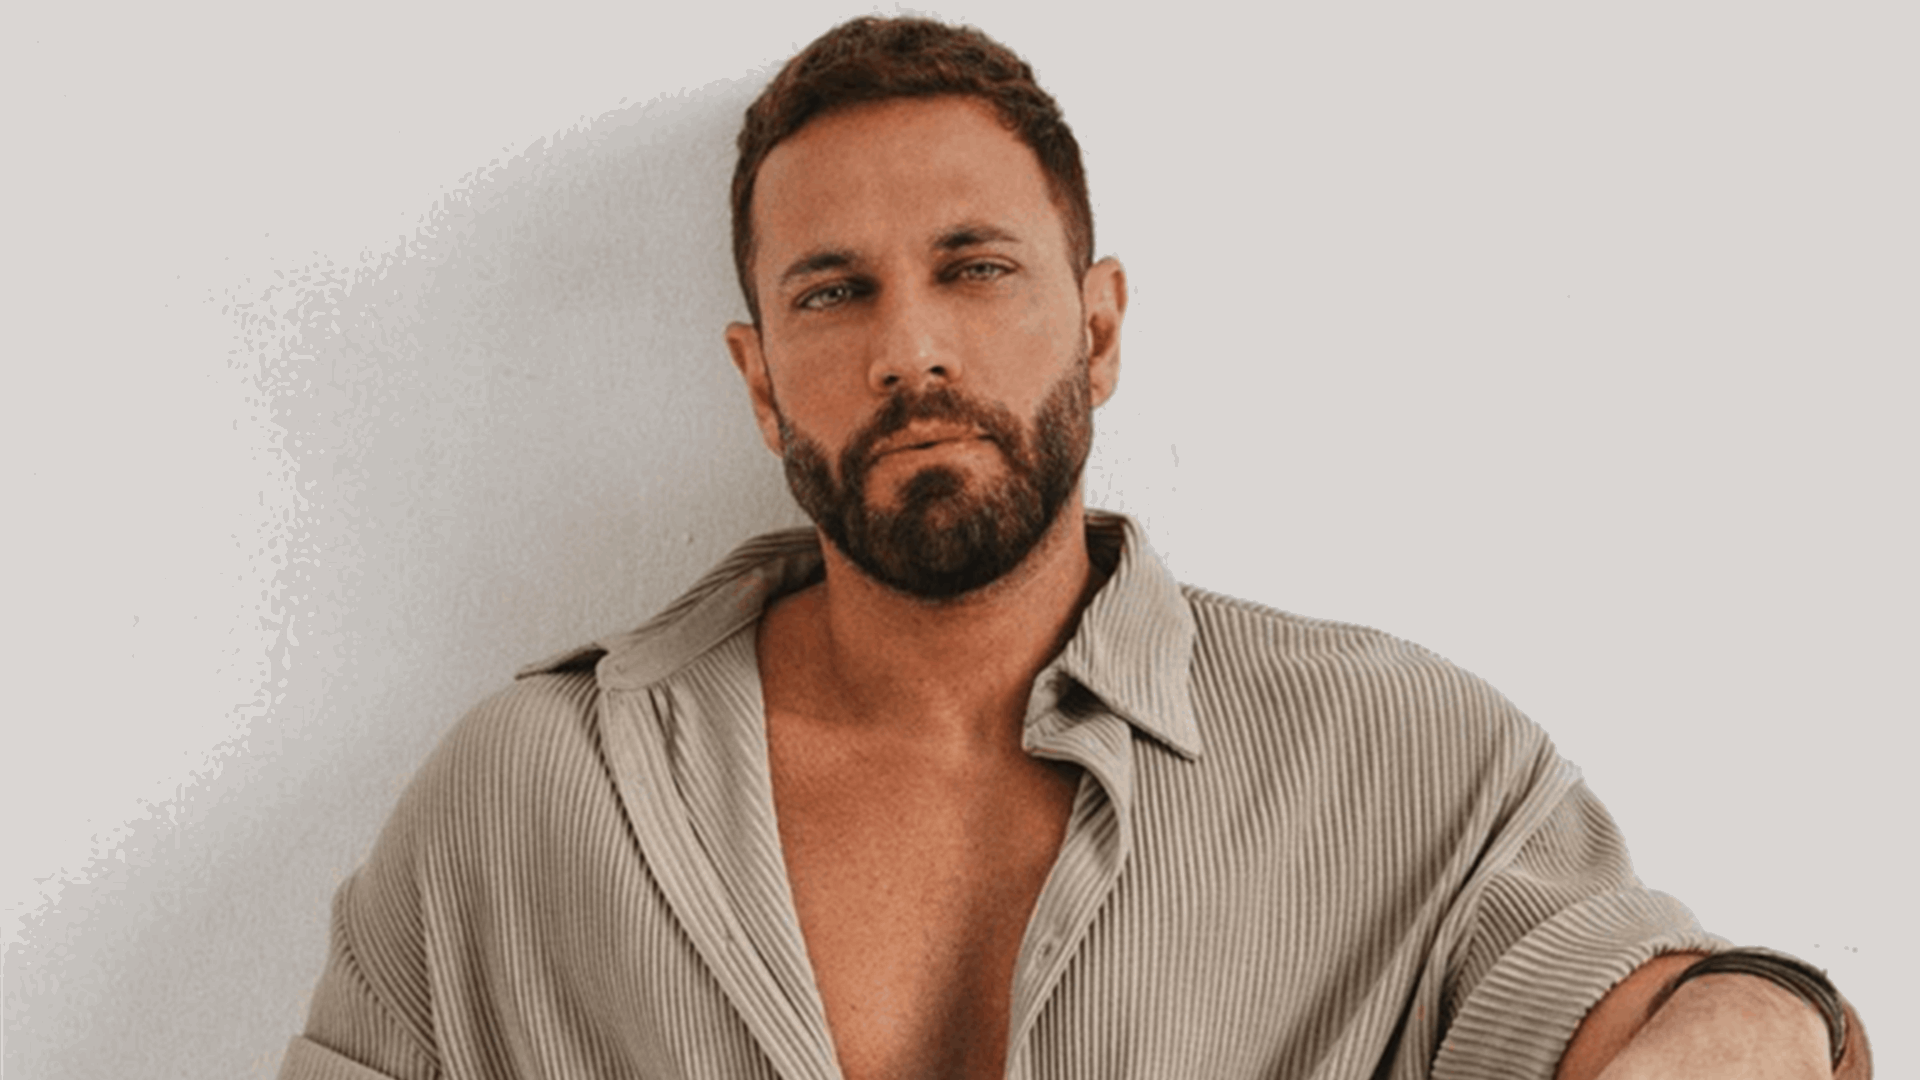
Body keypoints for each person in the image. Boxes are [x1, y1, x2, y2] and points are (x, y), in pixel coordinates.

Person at [278, 16, 1868, 1080]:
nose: (912, 348)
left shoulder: (1398, 754)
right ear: (760, 381)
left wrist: (1746, 1023)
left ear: (1097, 330)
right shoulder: (524, 799)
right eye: (834, 291)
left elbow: (1684, 1003)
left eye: (975, 268)